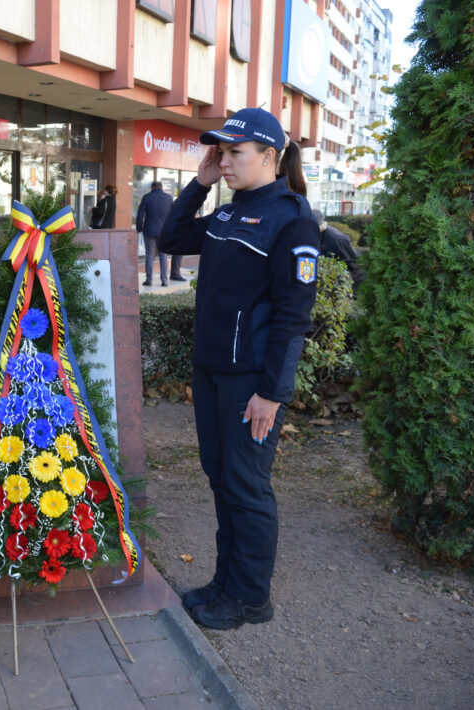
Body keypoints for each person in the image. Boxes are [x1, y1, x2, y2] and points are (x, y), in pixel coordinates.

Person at [158, 107, 319, 630]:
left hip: (251, 382)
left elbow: (293, 317)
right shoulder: (229, 212)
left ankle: (250, 598)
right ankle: (226, 582)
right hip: (211, 375)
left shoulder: (292, 218)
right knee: (221, 480)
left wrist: (271, 394)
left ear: (270, 156)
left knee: (247, 486)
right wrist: (199, 184)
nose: (224, 162)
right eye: (220, 152)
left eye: (234, 152)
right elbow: (171, 238)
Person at [135, 181, 181, 285]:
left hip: (149, 230)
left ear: (152, 188)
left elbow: (140, 213)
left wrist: (139, 228)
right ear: (161, 188)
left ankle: (149, 280)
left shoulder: (147, 197)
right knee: (163, 255)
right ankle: (164, 280)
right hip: (164, 231)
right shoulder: (168, 198)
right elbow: (173, 214)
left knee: (149, 255)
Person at [311, 209, 364, 292]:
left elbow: (356, 267)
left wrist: (352, 295)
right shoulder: (307, 236)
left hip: (336, 285)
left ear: (320, 227)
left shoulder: (337, 239)